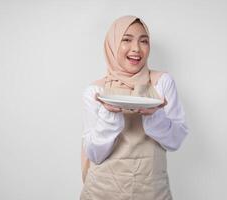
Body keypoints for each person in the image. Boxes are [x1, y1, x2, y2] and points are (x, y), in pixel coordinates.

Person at [80, 15, 189, 200]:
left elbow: (175, 141)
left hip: (152, 192)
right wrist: (110, 116)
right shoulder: (95, 91)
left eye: (144, 41)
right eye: (126, 40)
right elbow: (94, 155)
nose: (136, 49)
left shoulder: (162, 83)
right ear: (113, 44)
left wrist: (154, 117)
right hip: (101, 193)